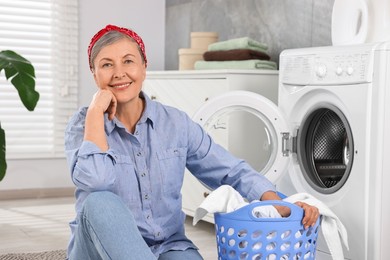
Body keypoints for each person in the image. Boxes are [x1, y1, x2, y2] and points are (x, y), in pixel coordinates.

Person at [64, 24, 319, 260]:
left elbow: (229, 170)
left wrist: (276, 203)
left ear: (143, 66)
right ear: (94, 75)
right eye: (107, 65)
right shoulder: (83, 125)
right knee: (99, 202)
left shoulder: (175, 123)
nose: (119, 73)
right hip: (98, 250)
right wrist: (96, 113)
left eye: (128, 61)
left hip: (168, 246)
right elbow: (97, 180)